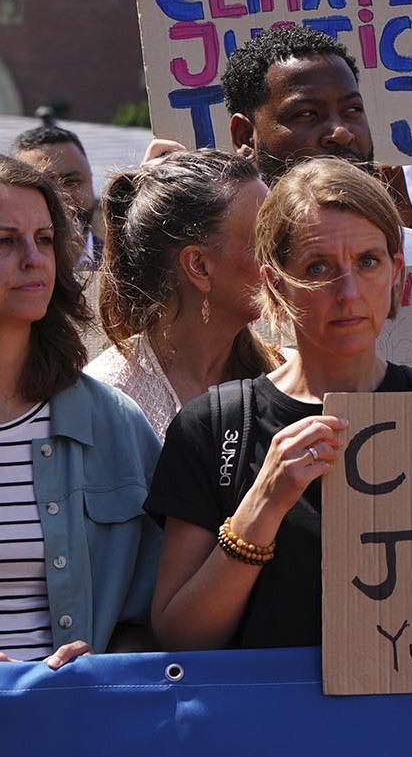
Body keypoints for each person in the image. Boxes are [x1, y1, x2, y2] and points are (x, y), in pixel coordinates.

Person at [146, 159, 412, 650]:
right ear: (276, 283)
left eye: (368, 261)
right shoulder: (213, 428)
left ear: (397, 272)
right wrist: (261, 508)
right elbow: (180, 638)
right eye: (318, 267)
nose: (347, 293)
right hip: (274, 723)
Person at [220, 24, 412, 375]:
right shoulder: (215, 284)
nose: (340, 132)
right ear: (245, 135)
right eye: (306, 115)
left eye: (352, 110)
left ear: (396, 270)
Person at [0, 158, 161, 666]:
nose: (33, 259)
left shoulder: (114, 421)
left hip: (74, 732)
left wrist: (101, 665)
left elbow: (164, 612)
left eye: (44, 239)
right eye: (5, 240)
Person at [88, 150, 273, 439]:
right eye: (263, 242)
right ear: (199, 266)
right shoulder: (105, 398)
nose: (283, 258)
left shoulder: (285, 371)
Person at [14, 121, 101, 286]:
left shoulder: (127, 269)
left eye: (72, 182)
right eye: (44, 185)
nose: (61, 197)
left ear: (91, 181)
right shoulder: (7, 272)